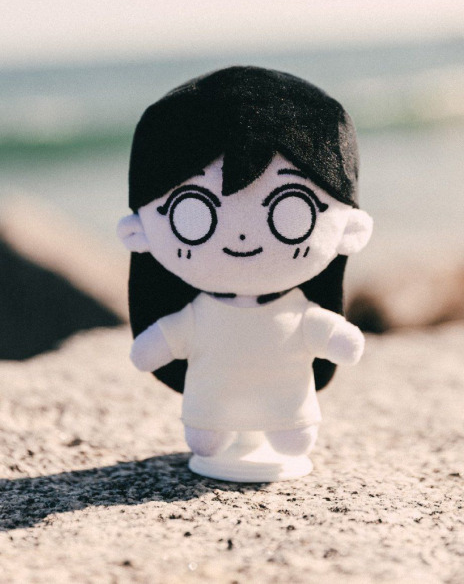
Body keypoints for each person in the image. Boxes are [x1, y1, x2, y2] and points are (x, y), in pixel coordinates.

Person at [117, 66, 373, 476]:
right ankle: (218, 432)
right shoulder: (201, 314)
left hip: (288, 411)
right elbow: (156, 346)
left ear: (350, 231)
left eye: (291, 209)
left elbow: (333, 336)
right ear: (138, 233)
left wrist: (340, 339)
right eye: (194, 212)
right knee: (207, 437)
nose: (240, 236)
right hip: (210, 414)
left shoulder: (294, 311)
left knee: (292, 438)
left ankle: (278, 429)